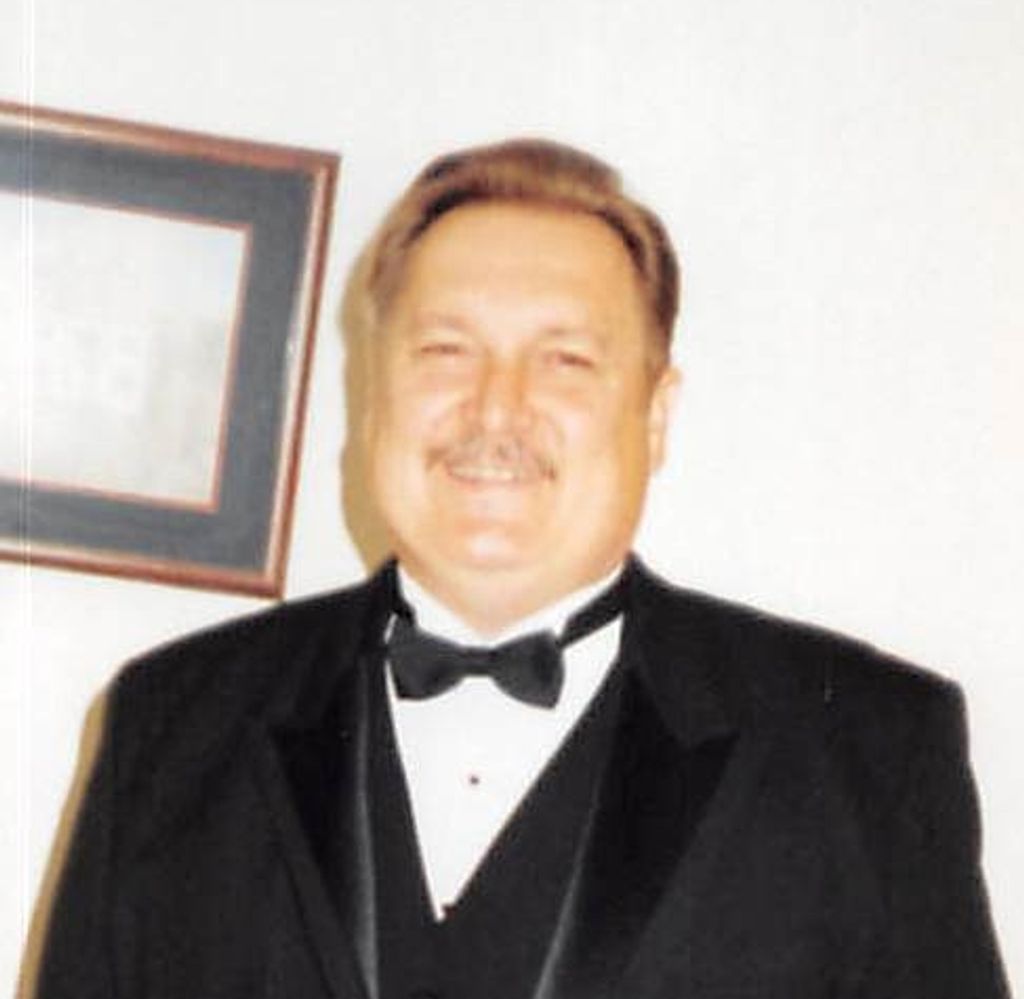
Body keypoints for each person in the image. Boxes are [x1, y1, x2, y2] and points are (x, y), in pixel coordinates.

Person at [36, 139, 1009, 999]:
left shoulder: (867, 751)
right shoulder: (169, 726)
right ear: (373, 395)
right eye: (445, 350)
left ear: (655, 415)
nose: (496, 409)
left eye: (565, 360)